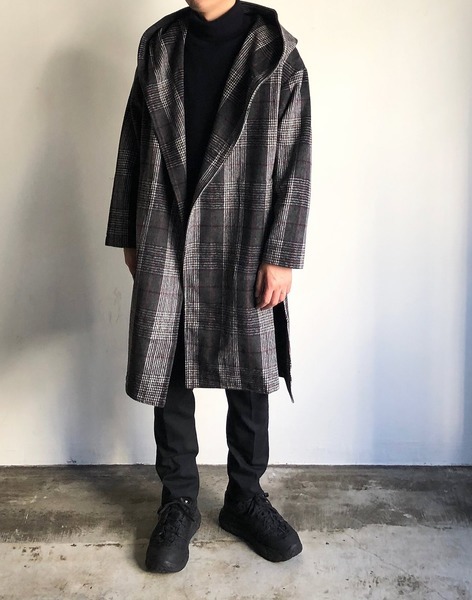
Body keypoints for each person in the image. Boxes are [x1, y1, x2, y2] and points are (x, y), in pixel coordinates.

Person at [105, 0, 311, 573]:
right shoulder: (159, 46)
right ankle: (178, 501)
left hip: (246, 229)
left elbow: (296, 161)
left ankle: (245, 497)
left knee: (250, 370)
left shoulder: (278, 56)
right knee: (168, 365)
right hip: (166, 225)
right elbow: (132, 143)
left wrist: (282, 255)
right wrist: (128, 232)